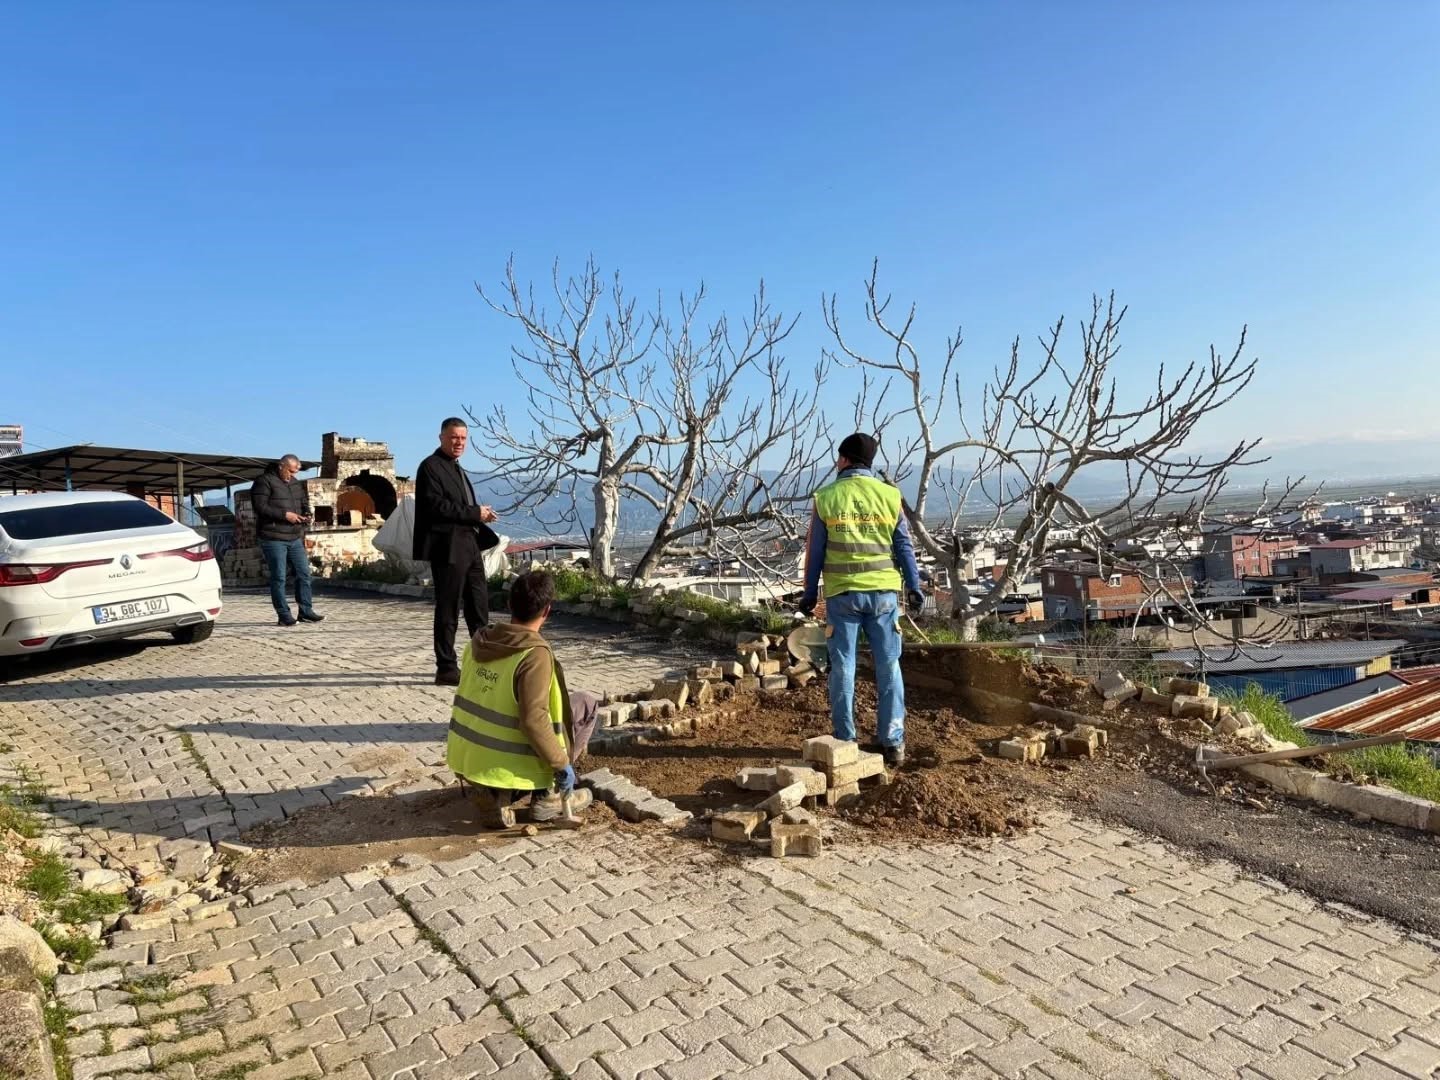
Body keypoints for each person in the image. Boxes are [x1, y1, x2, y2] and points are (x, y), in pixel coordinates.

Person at [798, 432, 924, 768]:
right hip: (884, 596)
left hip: (842, 596)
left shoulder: (826, 497)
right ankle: (893, 743)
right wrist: (914, 585)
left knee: (843, 667)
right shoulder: (890, 495)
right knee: (889, 666)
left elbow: (814, 553)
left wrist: (809, 595)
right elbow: (904, 545)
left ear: (844, 459)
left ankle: (845, 740)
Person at [447, 570, 601, 826]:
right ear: (547, 610)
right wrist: (561, 764)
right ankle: (547, 794)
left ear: (509, 604)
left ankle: (495, 794)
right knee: (585, 704)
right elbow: (533, 721)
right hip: (510, 763)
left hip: (469, 760)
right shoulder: (533, 655)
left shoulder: (478, 642)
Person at [414, 418, 499, 685]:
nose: (459, 442)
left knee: (479, 605)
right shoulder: (430, 467)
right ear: (441, 437)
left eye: (463, 438)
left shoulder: (457, 467)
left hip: (469, 544)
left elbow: (459, 506)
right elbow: (435, 507)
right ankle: (446, 667)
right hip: (448, 547)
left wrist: (480, 515)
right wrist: (475, 513)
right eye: (454, 437)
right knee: (448, 608)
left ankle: (483, 660)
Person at [251, 455, 324, 627]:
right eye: (290, 471)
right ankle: (283, 615)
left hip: (294, 537)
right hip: (272, 537)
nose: (292, 475)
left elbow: (304, 503)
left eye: (295, 472)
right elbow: (260, 507)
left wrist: (307, 514)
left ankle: (305, 612)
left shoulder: (295, 483)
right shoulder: (264, 481)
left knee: (304, 574)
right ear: (281, 466)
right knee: (279, 577)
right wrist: (285, 515)